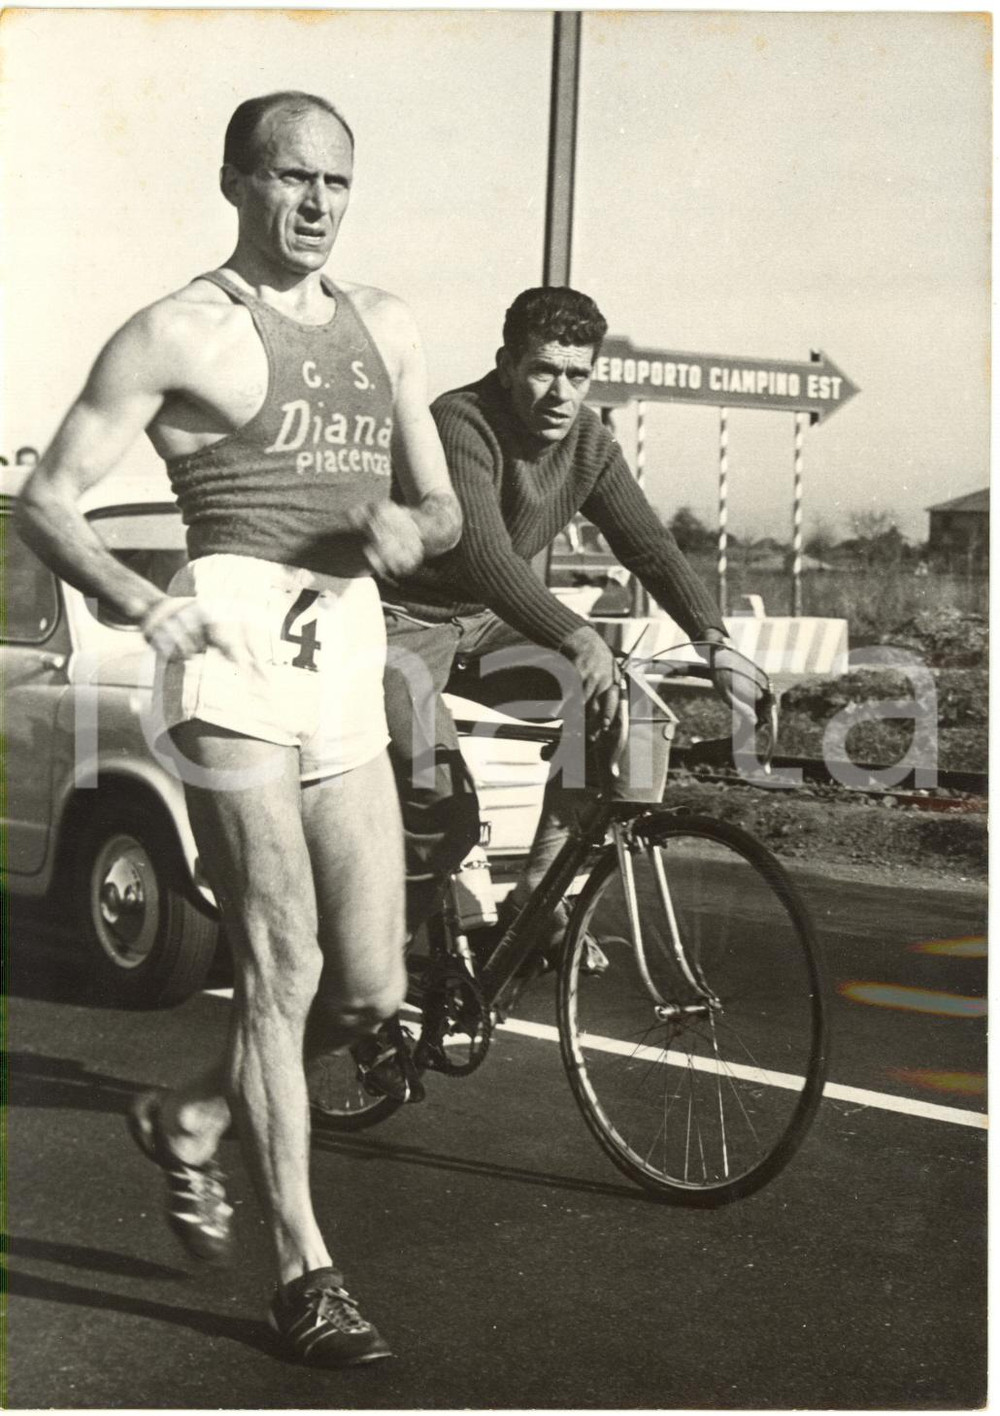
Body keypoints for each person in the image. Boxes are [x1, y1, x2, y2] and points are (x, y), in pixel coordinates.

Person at [17, 90, 460, 1368]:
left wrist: (408, 533)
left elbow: (436, 508)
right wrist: (140, 605)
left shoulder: (386, 325)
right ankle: (306, 1272)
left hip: (345, 658)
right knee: (283, 964)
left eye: (336, 183)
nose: (316, 204)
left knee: (372, 986)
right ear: (235, 184)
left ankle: (194, 1116)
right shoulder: (176, 331)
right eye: (290, 178)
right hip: (228, 658)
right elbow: (50, 501)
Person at [378, 286, 752, 963]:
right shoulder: (460, 422)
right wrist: (578, 637)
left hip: (486, 625)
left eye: (578, 374)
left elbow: (650, 549)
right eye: (544, 370)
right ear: (506, 363)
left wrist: (715, 640)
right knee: (442, 813)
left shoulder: (588, 444)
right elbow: (485, 554)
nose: (560, 392)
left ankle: (537, 903)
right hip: (400, 625)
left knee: (634, 717)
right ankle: (374, 964)